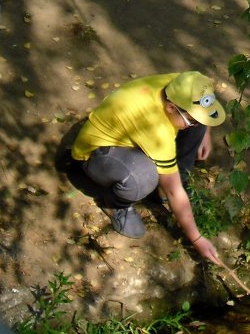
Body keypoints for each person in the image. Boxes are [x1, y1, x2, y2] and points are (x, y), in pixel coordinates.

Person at [71, 71, 226, 264]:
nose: (196, 123)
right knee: (145, 176)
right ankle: (116, 204)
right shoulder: (157, 130)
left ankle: (174, 181)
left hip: (134, 139)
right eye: (192, 120)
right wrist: (197, 239)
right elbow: (173, 190)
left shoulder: (186, 85)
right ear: (170, 107)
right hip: (97, 155)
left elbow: (204, 106)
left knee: (195, 127)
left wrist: (205, 133)